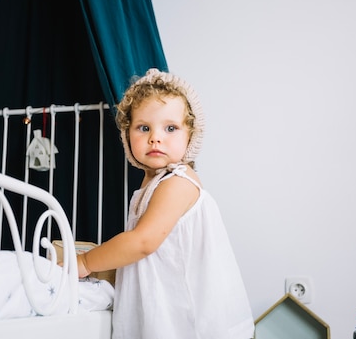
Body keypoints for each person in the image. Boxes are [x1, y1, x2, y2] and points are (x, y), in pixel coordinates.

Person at [75, 68, 255, 338]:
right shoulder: (151, 185)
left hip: (188, 319)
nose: (155, 137)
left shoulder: (178, 182)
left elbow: (143, 242)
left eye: (170, 128)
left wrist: (87, 262)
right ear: (127, 135)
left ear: (190, 135)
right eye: (143, 127)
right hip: (161, 311)